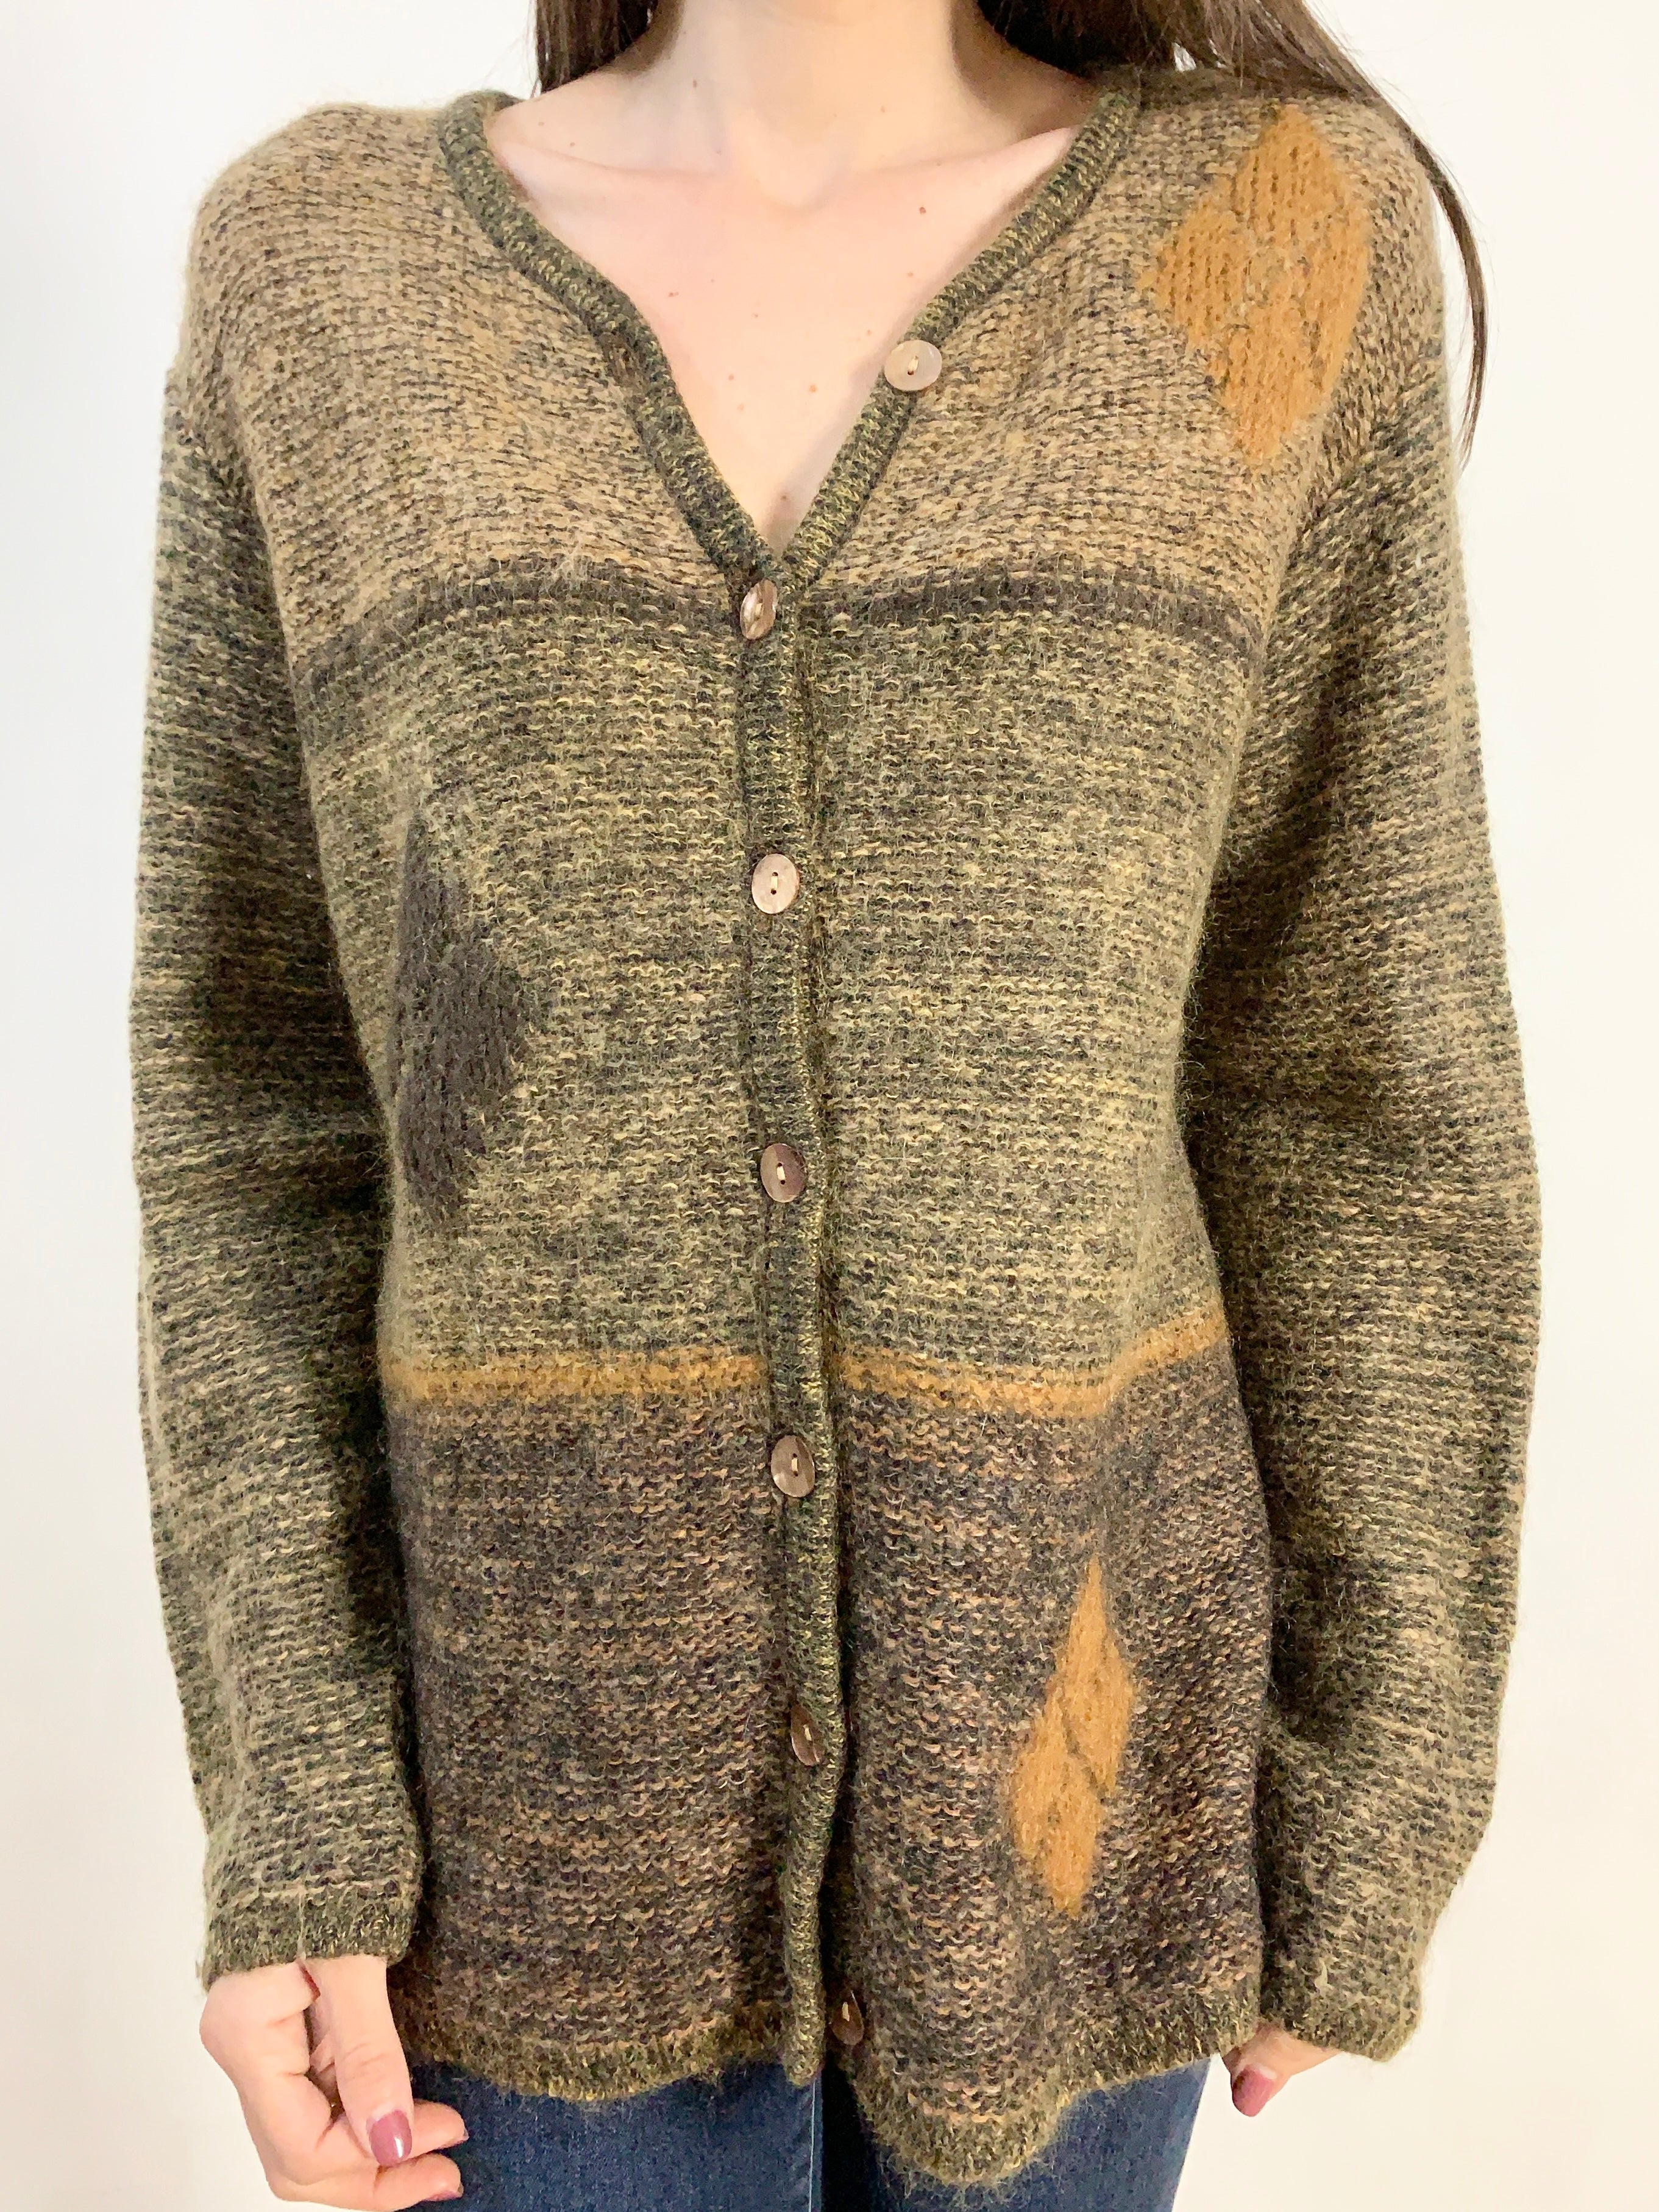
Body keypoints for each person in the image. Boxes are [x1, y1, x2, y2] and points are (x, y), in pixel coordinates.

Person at [127, 1, 1541, 2206]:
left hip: (1077, 1794)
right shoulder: (322, 268)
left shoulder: (1270, 230)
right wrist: (293, 1809)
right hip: (515, 1826)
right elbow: (257, 1115)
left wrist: (1375, 1786)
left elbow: (1355, 1078)